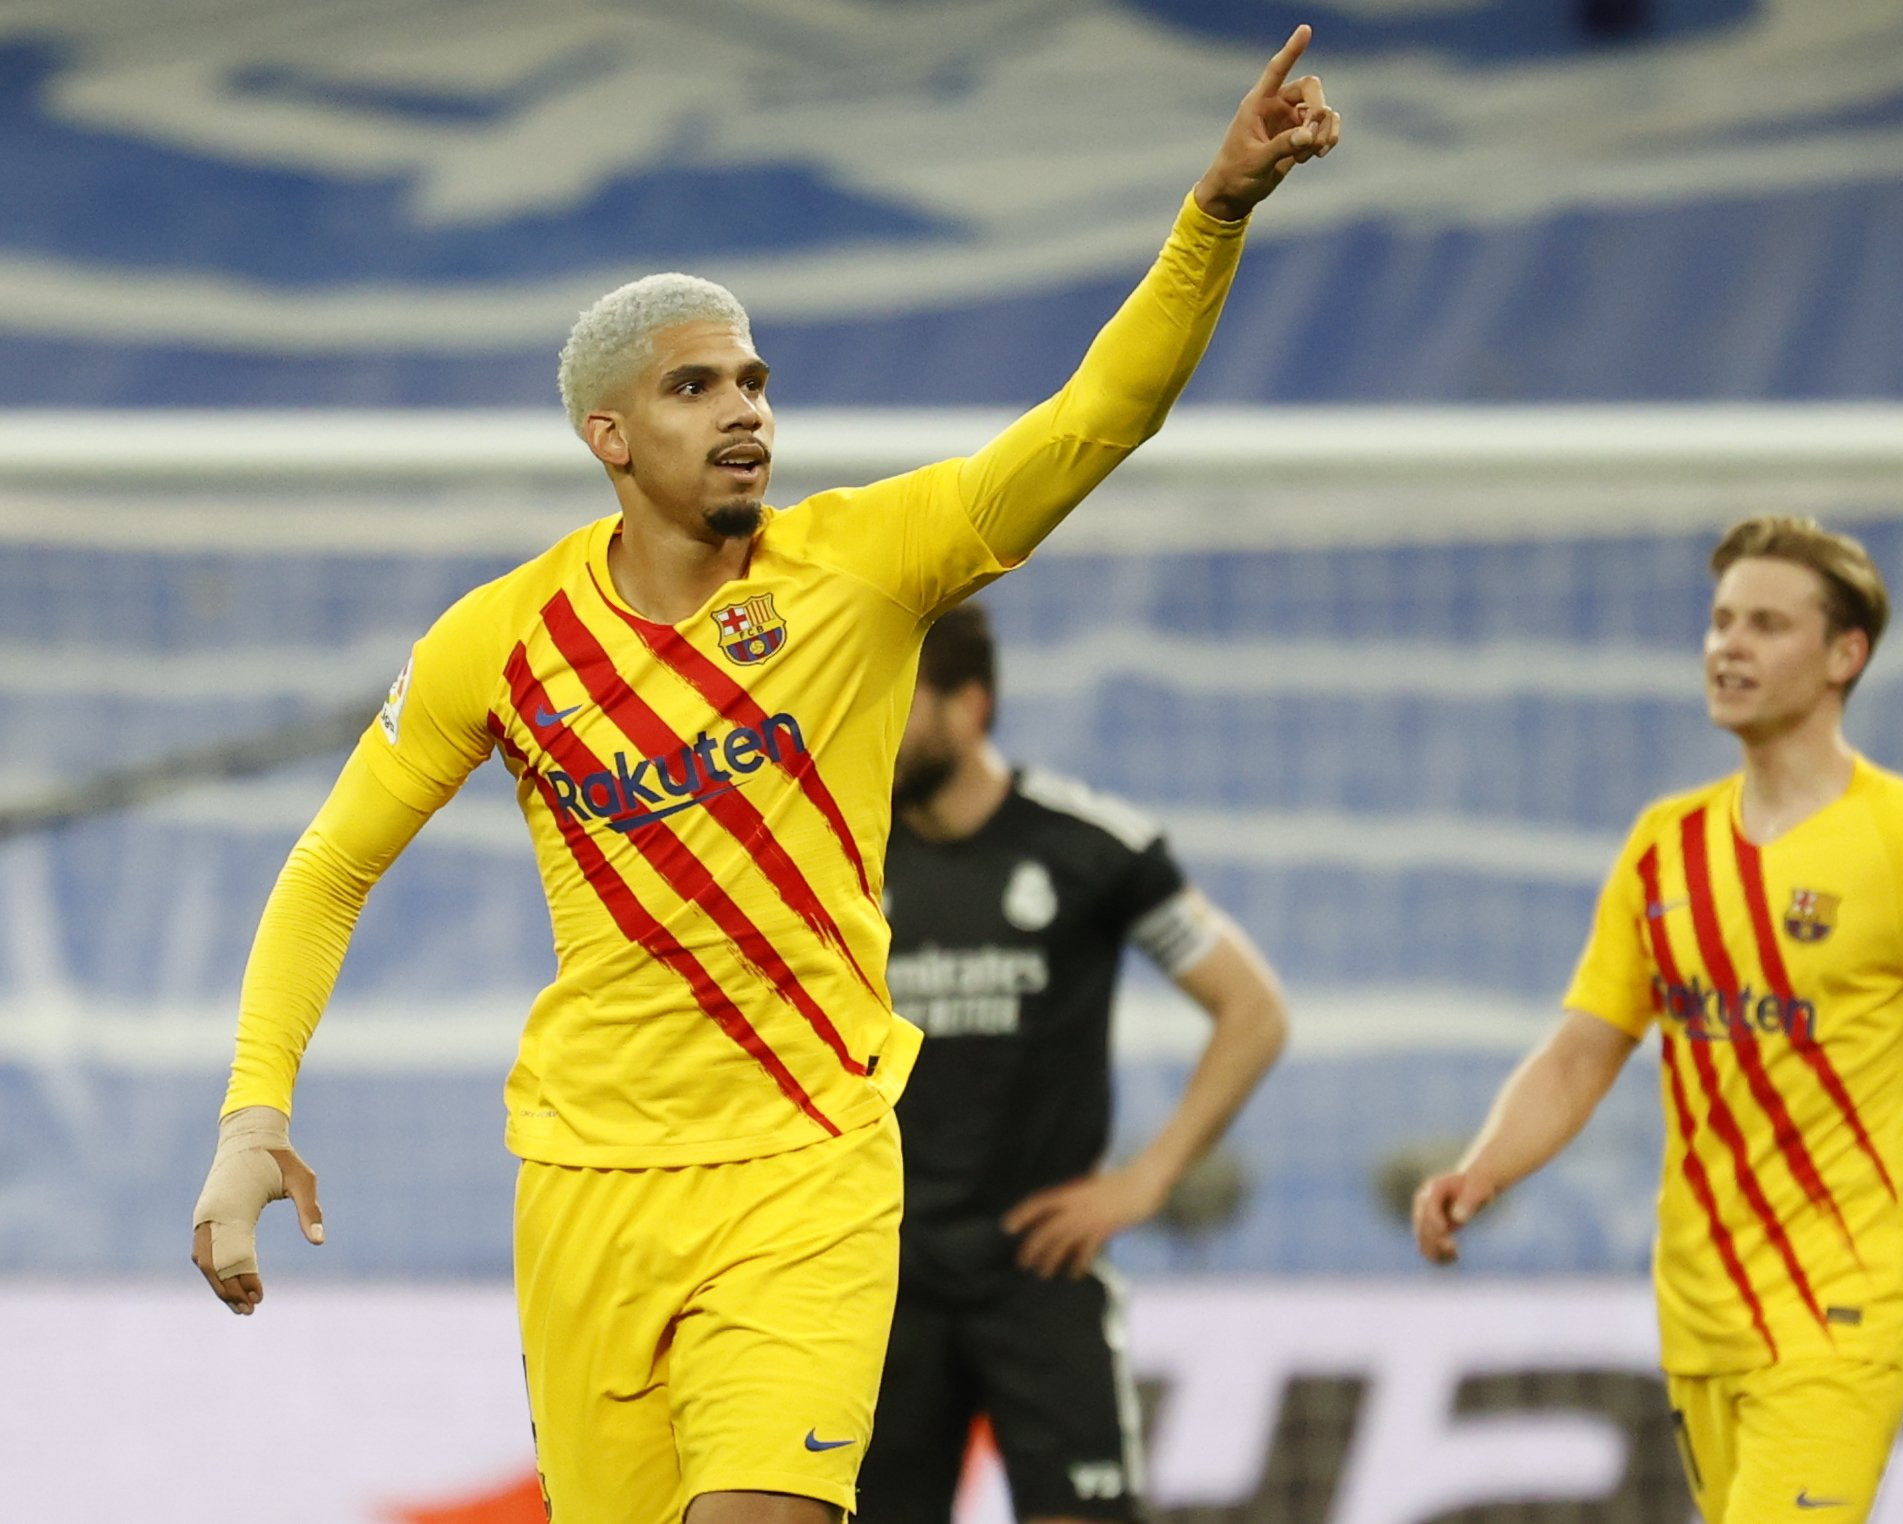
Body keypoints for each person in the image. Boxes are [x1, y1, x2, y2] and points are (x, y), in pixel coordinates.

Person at [188, 30, 1339, 1524]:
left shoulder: (863, 569)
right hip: (588, 1186)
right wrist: (248, 1119)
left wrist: (1216, 214)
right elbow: (331, 867)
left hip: (812, 1160)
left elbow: (1092, 424)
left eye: (755, 379)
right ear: (608, 434)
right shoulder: (502, 640)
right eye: (694, 388)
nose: (746, 410)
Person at [1411, 516, 1903, 1524]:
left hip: (1841, 1306)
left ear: (1844, 656)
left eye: (1765, 626)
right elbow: (1580, 1054)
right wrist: (1483, 1169)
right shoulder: (1663, 849)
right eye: (1717, 622)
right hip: (1698, 1310)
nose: (1726, 647)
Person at [858, 603, 1288, 1524]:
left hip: (1040, 1267)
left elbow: (1252, 1010)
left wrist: (1146, 1181)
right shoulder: (840, 856)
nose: (874, 727)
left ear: (970, 709)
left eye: (898, 702)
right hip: (885, 1278)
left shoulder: (1093, 849)